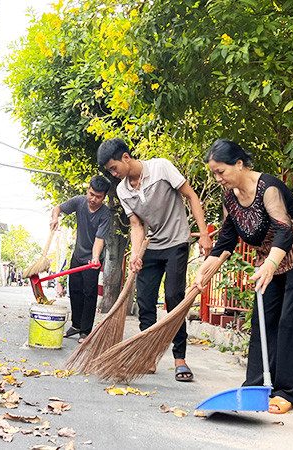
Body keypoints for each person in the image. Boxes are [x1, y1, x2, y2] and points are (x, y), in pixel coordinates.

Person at [194, 139, 293, 414]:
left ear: (239, 164)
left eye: (221, 171)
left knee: (291, 320)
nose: (218, 178)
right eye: (214, 173)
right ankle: (257, 386)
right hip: (271, 258)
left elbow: (285, 230)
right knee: (263, 318)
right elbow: (226, 241)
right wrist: (205, 270)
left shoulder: (268, 188)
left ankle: (288, 392)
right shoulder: (230, 198)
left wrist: (269, 265)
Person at [97, 137, 212, 381]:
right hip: (151, 246)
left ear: (126, 157)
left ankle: (180, 358)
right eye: (109, 171)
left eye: (114, 168)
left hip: (177, 241)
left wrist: (203, 234)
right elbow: (136, 225)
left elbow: (191, 196)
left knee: (174, 297)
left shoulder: (161, 167)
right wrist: (136, 255)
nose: (114, 174)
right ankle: (148, 357)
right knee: (146, 301)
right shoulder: (122, 190)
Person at [49, 175, 111, 343]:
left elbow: (99, 239)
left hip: (92, 260)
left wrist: (95, 258)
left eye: (98, 197)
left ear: (104, 197)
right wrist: (55, 218)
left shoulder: (105, 214)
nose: (93, 199)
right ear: (88, 190)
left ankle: (85, 331)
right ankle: (76, 325)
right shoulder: (79, 201)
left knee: (89, 293)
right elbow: (58, 208)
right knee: (75, 290)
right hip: (77, 255)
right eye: (91, 194)